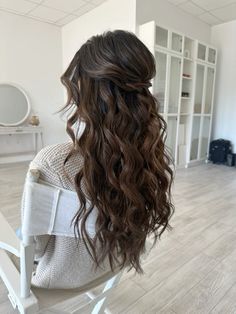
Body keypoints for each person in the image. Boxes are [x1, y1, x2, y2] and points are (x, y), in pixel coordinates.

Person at [26, 30, 174, 289]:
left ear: (88, 90)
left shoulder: (53, 162)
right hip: (113, 264)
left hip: (60, 279)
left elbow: (36, 250)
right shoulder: (149, 153)